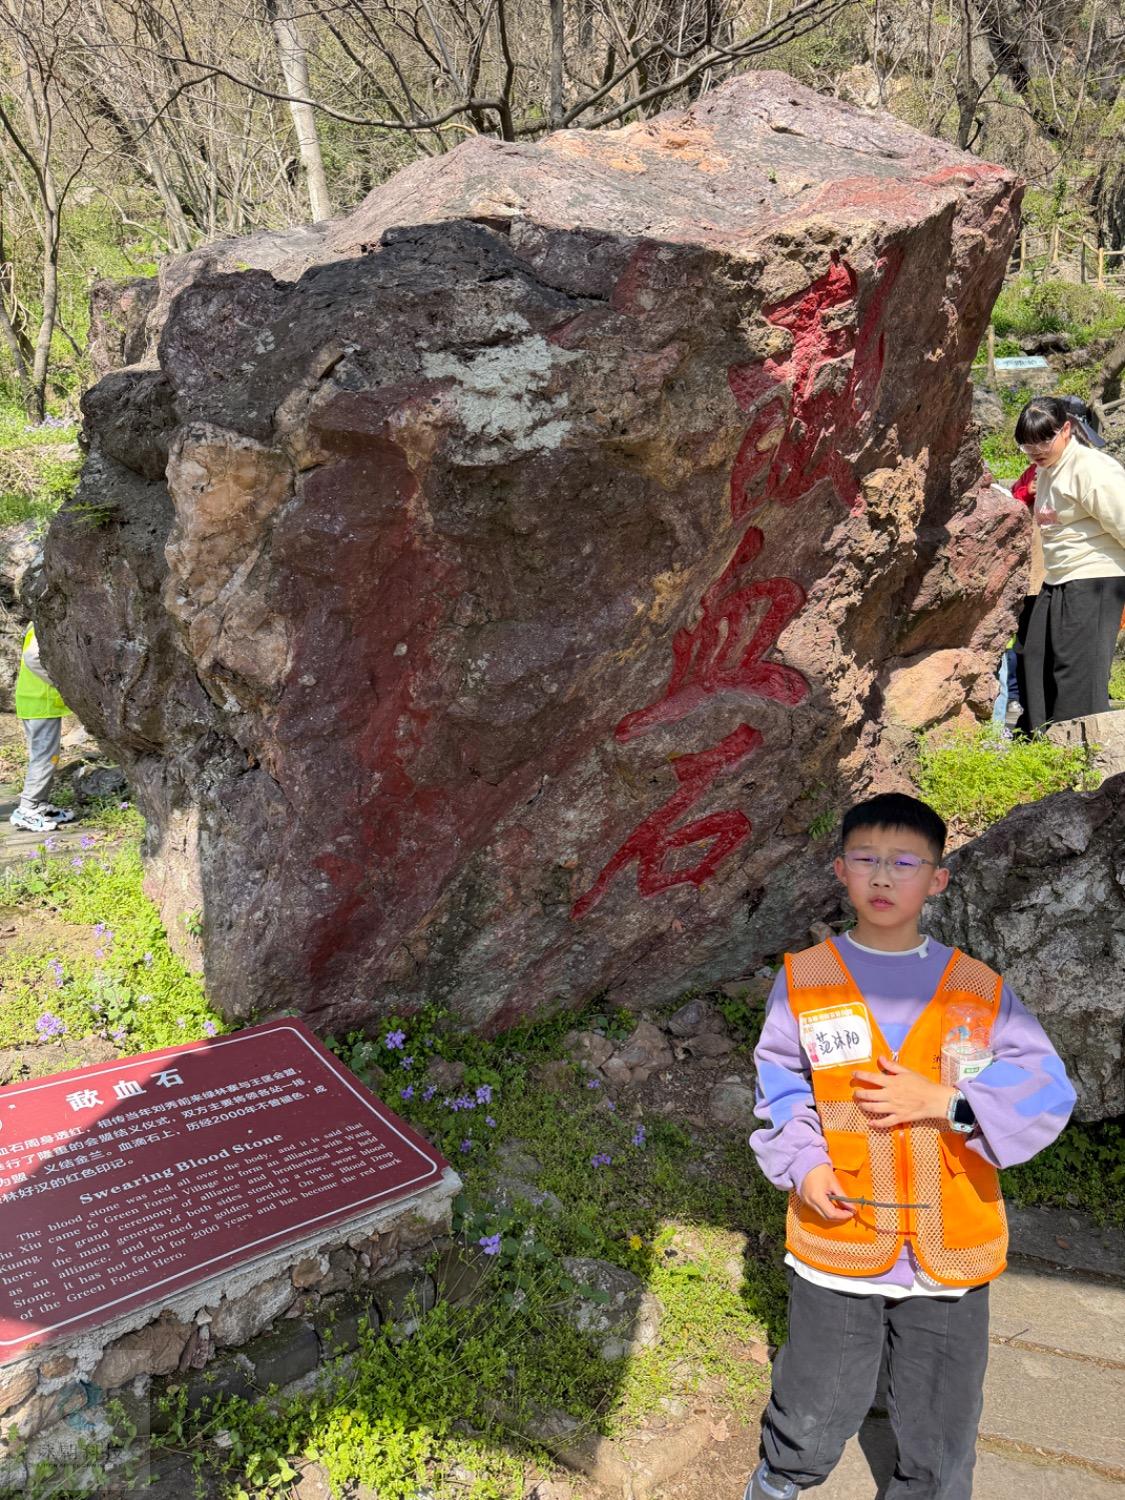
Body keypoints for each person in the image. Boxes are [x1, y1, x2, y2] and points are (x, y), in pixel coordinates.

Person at [745, 792, 1075, 1500]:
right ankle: (781, 1479)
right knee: (816, 1397)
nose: (882, 877)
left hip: (950, 1239)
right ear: (840, 870)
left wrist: (945, 1103)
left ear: (938, 879)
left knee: (942, 1415)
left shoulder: (976, 989)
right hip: (840, 1232)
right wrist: (804, 1167)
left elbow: (1048, 1091)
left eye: (904, 863)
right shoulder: (805, 982)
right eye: (865, 859)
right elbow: (781, 1088)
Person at [1013, 395, 1125, 729]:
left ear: (1065, 430)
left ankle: (1084, 749)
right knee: (1035, 657)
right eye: (1028, 446)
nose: (1036, 451)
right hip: (1058, 577)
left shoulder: (1091, 468)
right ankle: (1042, 740)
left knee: (1079, 671)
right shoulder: (1045, 470)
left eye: (1043, 442)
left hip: (1096, 577)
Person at [11, 623, 76, 833]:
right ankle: (27, 809)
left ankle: (39, 805)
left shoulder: (39, 621)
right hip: (40, 702)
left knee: (45, 756)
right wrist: (59, 683)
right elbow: (33, 657)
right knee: (45, 758)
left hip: (37, 702)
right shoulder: (46, 623)